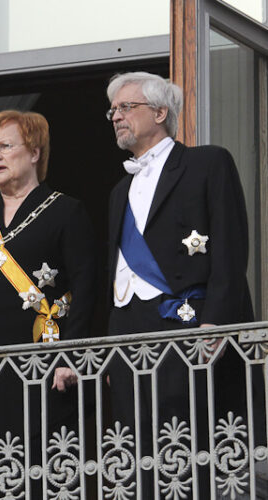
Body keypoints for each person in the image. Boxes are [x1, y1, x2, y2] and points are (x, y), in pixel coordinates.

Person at [105, 72, 254, 495]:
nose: (116, 116)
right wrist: (113, 351)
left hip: (188, 324)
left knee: (192, 445)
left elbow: (229, 245)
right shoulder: (120, 189)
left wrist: (217, 323)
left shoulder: (208, 162)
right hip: (131, 331)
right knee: (140, 449)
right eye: (112, 110)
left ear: (160, 112)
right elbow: (116, 273)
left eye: (126, 107)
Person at [0, 110, 96, 492]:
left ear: (34, 153)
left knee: (49, 476)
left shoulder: (66, 210)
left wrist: (71, 356)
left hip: (48, 368)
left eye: (5, 146)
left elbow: (88, 287)